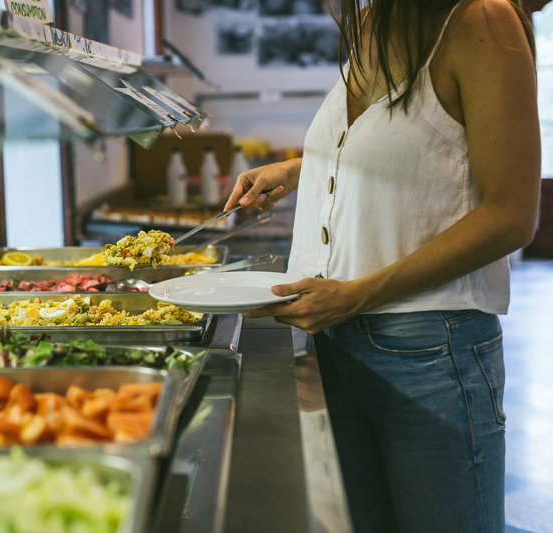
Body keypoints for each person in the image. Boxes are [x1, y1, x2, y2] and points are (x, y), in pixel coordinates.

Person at [224, 0, 540, 531]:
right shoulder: (376, 20)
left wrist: (359, 293)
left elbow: (511, 216)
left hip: (430, 353)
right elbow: (416, 143)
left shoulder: (481, 20)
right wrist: (305, 166)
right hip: (338, 341)